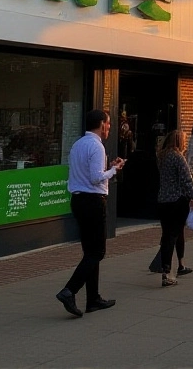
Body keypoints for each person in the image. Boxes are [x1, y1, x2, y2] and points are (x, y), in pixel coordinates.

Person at [56, 109, 125, 318]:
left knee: (90, 251)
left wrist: (108, 169)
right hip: (93, 201)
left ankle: (93, 298)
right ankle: (69, 290)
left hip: (78, 199)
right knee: (97, 252)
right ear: (102, 124)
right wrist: (114, 170)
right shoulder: (97, 146)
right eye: (109, 124)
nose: (110, 128)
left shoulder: (78, 144)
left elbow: (88, 173)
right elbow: (96, 178)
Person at [149, 130, 193, 286]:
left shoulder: (161, 157)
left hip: (163, 199)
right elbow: (186, 180)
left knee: (169, 234)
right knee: (172, 235)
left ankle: (178, 265)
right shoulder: (178, 157)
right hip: (177, 200)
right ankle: (167, 272)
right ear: (179, 142)